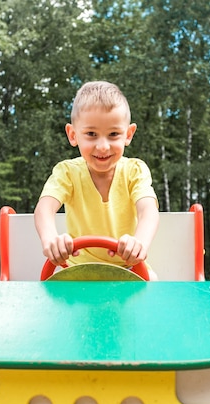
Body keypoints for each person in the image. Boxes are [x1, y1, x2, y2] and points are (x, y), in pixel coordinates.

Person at [34, 81, 160, 279]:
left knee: (152, 285)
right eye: (91, 134)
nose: (103, 146)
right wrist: (51, 240)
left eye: (113, 134)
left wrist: (139, 242)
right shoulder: (67, 172)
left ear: (128, 135)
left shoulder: (135, 170)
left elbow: (148, 211)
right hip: (78, 272)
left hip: (128, 268)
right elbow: (44, 208)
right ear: (73, 135)